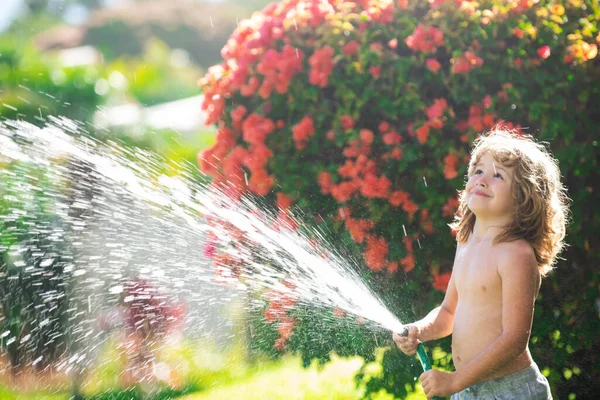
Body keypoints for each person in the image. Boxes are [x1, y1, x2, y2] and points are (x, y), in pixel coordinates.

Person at [393, 128, 569, 399]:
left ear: (524, 197)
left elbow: (513, 340)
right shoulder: (466, 242)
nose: (482, 180)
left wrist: (454, 381)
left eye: (498, 175)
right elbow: (448, 312)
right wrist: (419, 330)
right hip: (468, 389)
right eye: (477, 171)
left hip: (510, 391)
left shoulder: (516, 254)